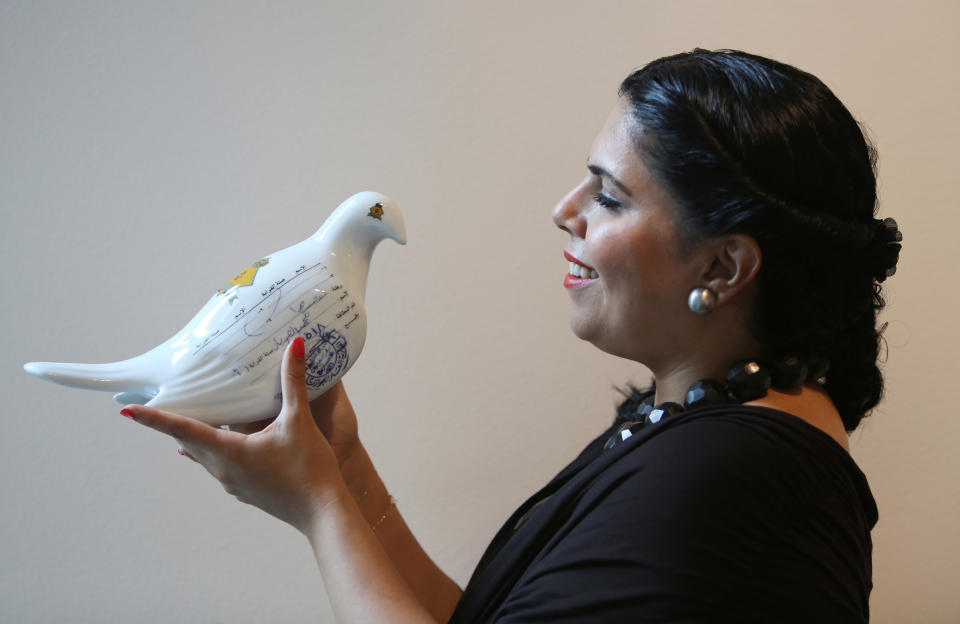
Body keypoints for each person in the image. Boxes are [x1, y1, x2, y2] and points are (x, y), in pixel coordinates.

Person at [121, 49, 901, 622]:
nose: (567, 210)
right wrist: (343, 467)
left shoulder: (734, 478)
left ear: (726, 266)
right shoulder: (706, 433)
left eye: (611, 196)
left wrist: (319, 507)